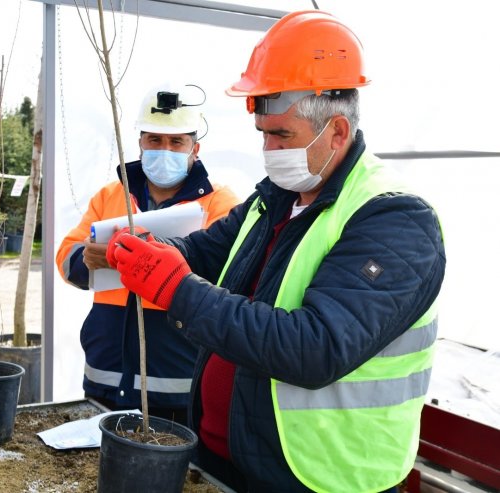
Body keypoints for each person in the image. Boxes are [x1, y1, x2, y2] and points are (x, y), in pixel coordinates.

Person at [108, 11, 446, 493]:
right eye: (263, 132)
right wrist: (149, 249)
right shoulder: (278, 194)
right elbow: (206, 251)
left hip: (323, 476)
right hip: (231, 459)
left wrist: (177, 290)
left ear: (337, 132)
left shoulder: (394, 221)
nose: (268, 148)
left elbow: (316, 347)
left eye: (281, 135)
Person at [56, 83, 239, 423]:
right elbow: (66, 256)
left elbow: (231, 277)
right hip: (104, 380)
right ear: (140, 142)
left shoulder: (220, 204)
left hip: (179, 390)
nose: (164, 149)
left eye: (176, 142)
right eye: (154, 140)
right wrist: (87, 259)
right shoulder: (111, 196)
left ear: (194, 148)